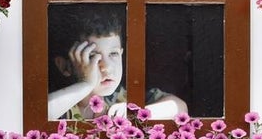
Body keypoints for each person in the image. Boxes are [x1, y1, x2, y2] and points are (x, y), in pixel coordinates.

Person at [47, 8, 187, 120]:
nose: (106, 67)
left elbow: (178, 106)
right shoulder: (61, 103)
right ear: (64, 65)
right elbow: (39, 115)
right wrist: (86, 84)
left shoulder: (123, 98)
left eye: (113, 54)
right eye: (92, 56)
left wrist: (139, 114)